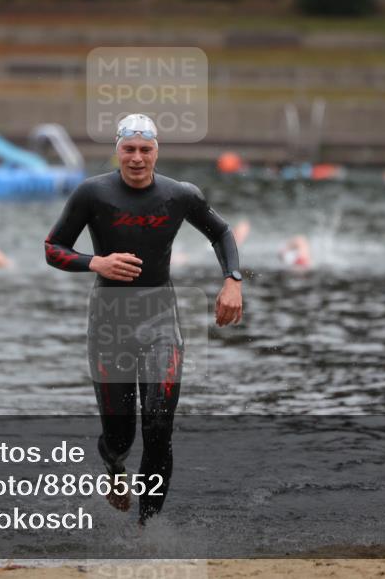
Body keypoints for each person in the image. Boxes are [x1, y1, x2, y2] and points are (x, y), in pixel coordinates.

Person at [44, 113, 243, 524]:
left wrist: (233, 281)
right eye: (129, 149)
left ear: (157, 152)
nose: (137, 158)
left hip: (160, 321)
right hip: (109, 324)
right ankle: (115, 470)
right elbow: (53, 248)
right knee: (120, 438)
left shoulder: (179, 194)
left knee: (158, 427)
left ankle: (147, 530)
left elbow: (221, 233)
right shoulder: (92, 194)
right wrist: (95, 262)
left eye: (145, 150)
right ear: (117, 150)